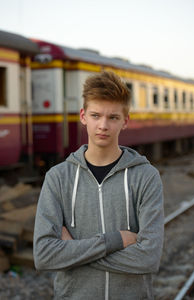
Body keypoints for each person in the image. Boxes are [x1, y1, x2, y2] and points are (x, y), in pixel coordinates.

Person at [33, 71, 164, 300]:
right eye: (96, 115)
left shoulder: (146, 177)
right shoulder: (58, 178)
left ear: (125, 121)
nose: (103, 125)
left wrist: (73, 254)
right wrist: (116, 241)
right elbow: (44, 256)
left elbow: (149, 258)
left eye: (113, 117)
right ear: (83, 116)